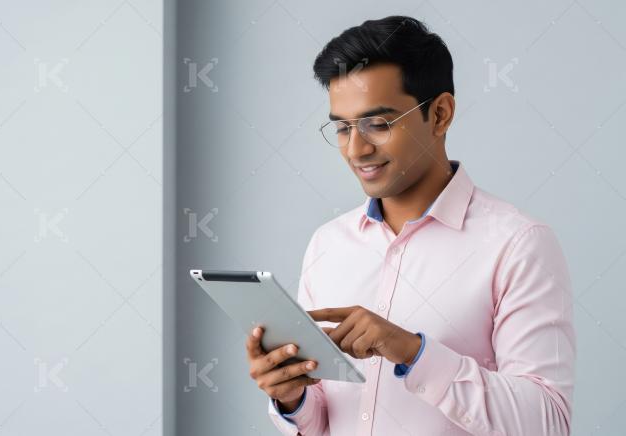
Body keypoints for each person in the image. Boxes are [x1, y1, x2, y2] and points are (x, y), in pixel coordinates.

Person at [244, 15, 575, 436]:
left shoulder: (518, 244)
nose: (357, 149)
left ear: (440, 114)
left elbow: (548, 423)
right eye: (343, 127)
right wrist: (292, 398)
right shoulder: (328, 244)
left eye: (378, 124)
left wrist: (412, 351)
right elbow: (325, 419)